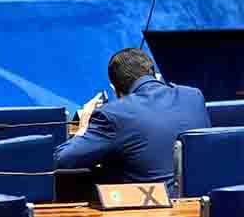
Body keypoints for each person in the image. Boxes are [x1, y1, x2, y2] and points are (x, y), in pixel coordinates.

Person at [54, 48, 211, 193]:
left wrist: (84, 126)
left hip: (148, 214)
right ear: (154, 75)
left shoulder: (112, 114)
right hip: (200, 206)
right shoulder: (194, 96)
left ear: (115, 90)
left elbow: (63, 161)